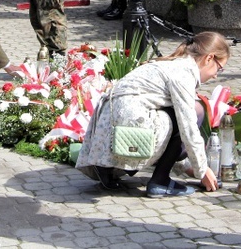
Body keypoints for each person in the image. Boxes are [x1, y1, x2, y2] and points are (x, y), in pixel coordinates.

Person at [76, 31, 225, 197]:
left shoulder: (173, 63)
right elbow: (188, 126)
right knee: (195, 111)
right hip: (130, 124)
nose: (216, 75)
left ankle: (108, 169)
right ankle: (160, 181)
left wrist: (188, 167)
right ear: (209, 58)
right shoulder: (184, 72)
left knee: (170, 113)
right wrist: (203, 171)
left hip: (107, 127)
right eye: (220, 68)